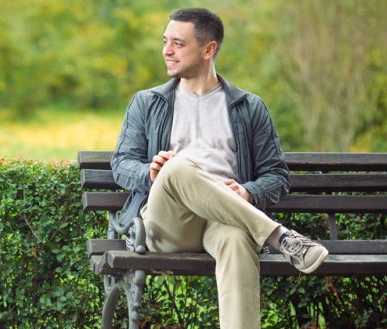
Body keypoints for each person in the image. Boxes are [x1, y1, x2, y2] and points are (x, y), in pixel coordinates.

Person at [111, 8, 328, 328]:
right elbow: (121, 163)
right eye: (165, 42)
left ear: (209, 49)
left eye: (178, 44)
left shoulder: (249, 107)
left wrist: (248, 191)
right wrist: (150, 172)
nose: (166, 51)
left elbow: (277, 176)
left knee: (238, 241)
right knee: (176, 166)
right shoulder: (148, 102)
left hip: (225, 219)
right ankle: (279, 237)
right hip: (170, 222)